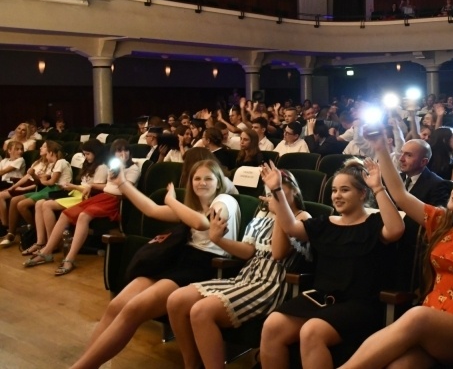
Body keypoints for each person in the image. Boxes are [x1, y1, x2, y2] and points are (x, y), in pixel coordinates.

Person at [340, 133, 453, 369]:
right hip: (429, 322)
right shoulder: (442, 222)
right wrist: (382, 149)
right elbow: (401, 196)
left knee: (417, 315)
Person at [68, 159, 240, 369]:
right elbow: (151, 210)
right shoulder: (193, 207)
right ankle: (86, 362)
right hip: (177, 258)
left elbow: (202, 223)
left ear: (219, 182)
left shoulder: (225, 200)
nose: (201, 183)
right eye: (197, 178)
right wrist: (123, 184)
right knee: (116, 306)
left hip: (203, 264)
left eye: (208, 178)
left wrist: (172, 201)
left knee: (134, 309)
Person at [258, 158, 404, 369]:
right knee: (272, 325)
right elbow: (290, 227)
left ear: (362, 194)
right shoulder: (325, 224)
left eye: (344, 190)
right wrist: (277, 190)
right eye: (334, 190)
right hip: (322, 299)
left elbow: (396, 230)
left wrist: (378, 188)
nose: (337, 195)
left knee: (312, 330)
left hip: (360, 304)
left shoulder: (373, 224)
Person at [166, 169, 311, 369]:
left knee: (201, 311)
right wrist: (218, 239)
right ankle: (192, 364)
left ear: (293, 192)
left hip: (271, 285)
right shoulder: (262, 213)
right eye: (269, 193)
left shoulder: (302, 217)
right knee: (176, 300)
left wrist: (279, 212)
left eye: (277, 191)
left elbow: (278, 253)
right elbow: (247, 252)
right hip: (246, 277)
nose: (272, 197)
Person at [24, 139, 141, 275]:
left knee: (83, 216)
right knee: (66, 214)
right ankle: (47, 251)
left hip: (116, 201)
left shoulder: (133, 168)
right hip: (102, 197)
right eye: (119, 151)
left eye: (126, 150)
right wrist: (93, 185)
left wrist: (120, 169)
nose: (123, 154)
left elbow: (126, 192)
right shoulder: (114, 167)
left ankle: (70, 258)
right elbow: (109, 186)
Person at [397, 139, 452, 207]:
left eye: (409, 155)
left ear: (423, 162)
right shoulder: (396, 178)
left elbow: (438, 216)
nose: (401, 159)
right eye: (401, 153)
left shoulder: (437, 185)